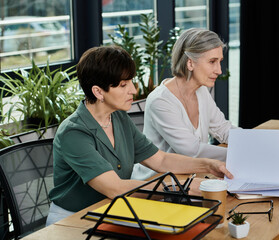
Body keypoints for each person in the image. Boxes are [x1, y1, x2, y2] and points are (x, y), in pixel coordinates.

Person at [46, 46, 233, 225]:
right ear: (98, 92)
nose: (133, 90)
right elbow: (115, 188)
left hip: (113, 211)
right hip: (73, 221)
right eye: (123, 85)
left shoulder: (118, 118)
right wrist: (179, 187)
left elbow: (161, 160)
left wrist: (209, 165)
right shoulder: (73, 132)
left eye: (131, 82)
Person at [131, 28, 238, 181]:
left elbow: (223, 128)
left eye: (219, 62)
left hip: (187, 178)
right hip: (155, 183)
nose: (219, 70)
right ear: (190, 63)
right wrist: (239, 153)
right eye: (212, 62)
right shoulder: (160, 100)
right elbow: (192, 151)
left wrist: (252, 141)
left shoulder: (201, 91)